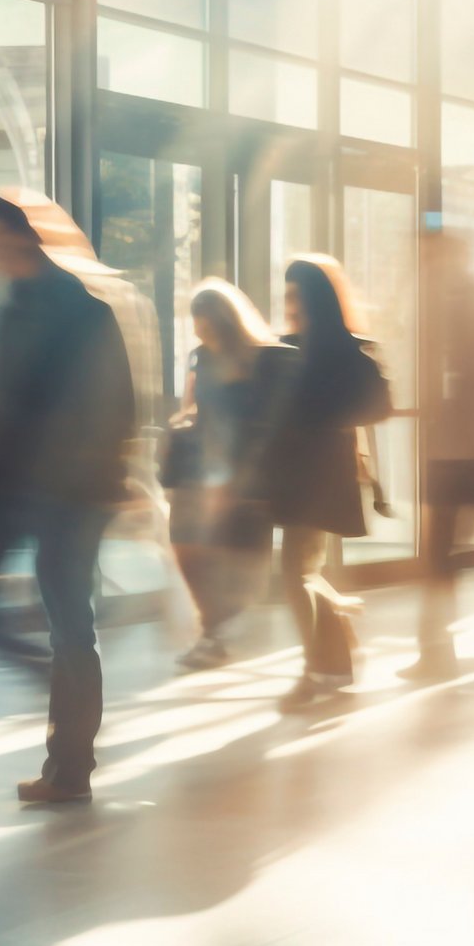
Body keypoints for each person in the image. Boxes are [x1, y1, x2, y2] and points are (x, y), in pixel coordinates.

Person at [0, 195, 136, 803]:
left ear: (21, 237)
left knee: (70, 627)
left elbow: (113, 407)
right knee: (48, 623)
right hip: (29, 487)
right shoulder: (18, 311)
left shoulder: (81, 312)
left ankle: (71, 767)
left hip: (70, 493)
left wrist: (88, 474)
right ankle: (67, 757)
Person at [264, 255, 393, 709]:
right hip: (302, 472)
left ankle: (317, 669)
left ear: (313, 298)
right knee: (303, 571)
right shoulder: (293, 349)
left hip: (319, 474)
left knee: (295, 573)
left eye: (296, 294)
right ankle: (333, 650)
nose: (289, 304)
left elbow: (375, 408)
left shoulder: (332, 354)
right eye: (287, 294)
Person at [401, 230, 474, 683]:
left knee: (440, 553)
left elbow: (468, 375)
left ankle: (437, 651)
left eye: (431, 255)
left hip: (467, 448)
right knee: (445, 553)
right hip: (463, 446)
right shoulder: (462, 300)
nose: (425, 263)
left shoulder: (464, 304)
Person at [166, 280, 292, 672]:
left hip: (241, 475)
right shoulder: (200, 357)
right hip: (201, 470)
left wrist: (245, 479)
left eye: (206, 323)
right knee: (185, 546)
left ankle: (214, 634)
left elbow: (265, 424)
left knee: (235, 557)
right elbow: (197, 409)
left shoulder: (260, 361)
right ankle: (213, 631)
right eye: (196, 322)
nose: (200, 330)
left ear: (225, 321)